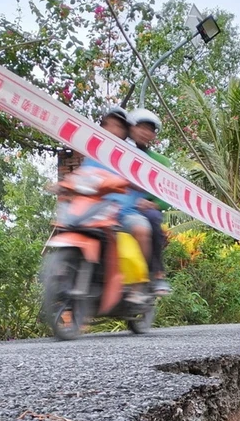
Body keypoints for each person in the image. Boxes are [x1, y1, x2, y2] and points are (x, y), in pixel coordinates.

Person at [61, 106, 152, 268]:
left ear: (126, 131)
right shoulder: (95, 152)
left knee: (142, 230)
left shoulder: (136, 156)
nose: (113, 129)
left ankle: (141, 283)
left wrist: (135, 188)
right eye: (109, 124)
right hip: (95, 208)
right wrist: (67, 183)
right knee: (67, 222)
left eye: (118, 126)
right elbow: (83, 175)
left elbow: (145, 183)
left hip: (124, 212)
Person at [127, 108, 172, 296]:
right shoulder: (118, 152)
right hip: (119, 203)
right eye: (141, 127)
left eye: (150, 129)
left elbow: (167, 192)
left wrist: (153, 204)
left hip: (145, 208)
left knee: (153, 219)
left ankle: (157, 274)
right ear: (130, 128)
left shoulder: (160, 161)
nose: (145, 132)